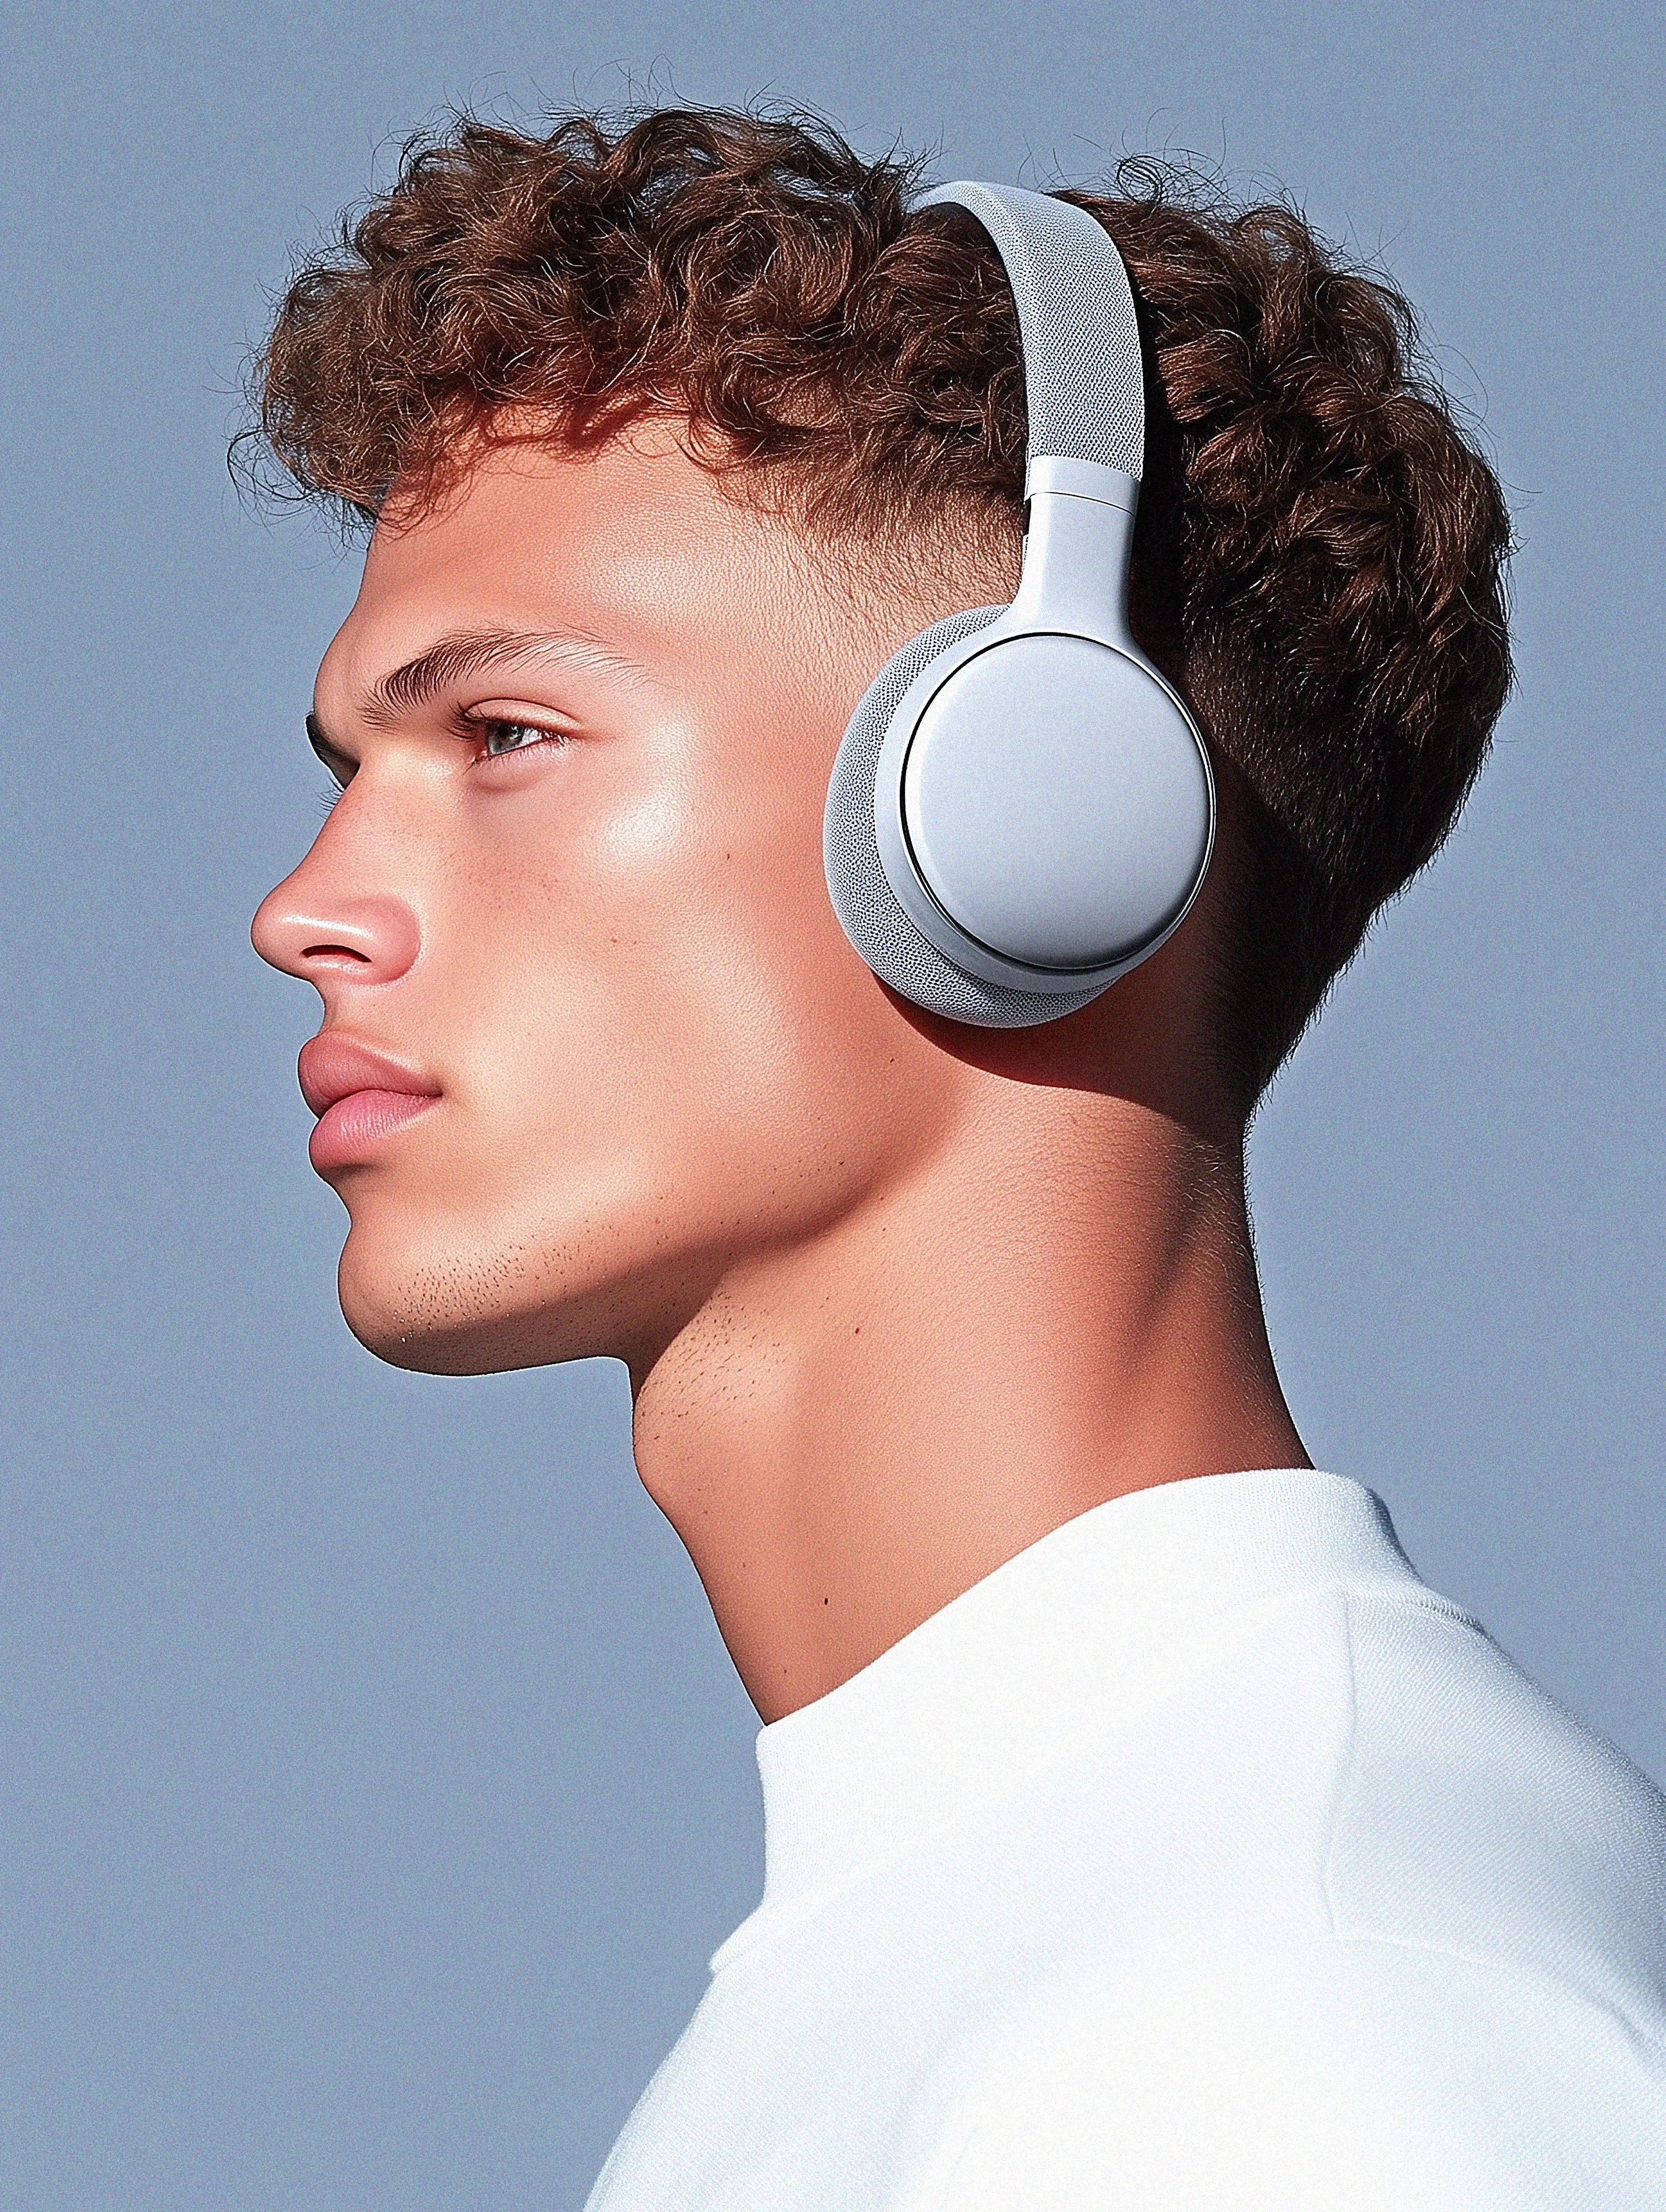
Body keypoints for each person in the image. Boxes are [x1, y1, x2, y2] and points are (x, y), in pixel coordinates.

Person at [247, 106, 1666, 2208]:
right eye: (355, 766)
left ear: (1025, 811)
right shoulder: (1037, 1964)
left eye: (508, 738)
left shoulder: (1279, 2026)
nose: (309, 909)